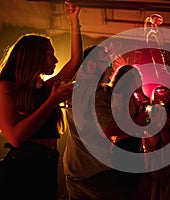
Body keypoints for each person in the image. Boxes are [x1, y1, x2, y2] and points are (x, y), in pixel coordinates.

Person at [0, 2, 82, 199]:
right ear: (33, 55)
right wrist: (52, 101)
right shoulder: (5, 87)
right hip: (22, 166)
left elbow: (75, 62)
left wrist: (74, 22)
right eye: (49, 54)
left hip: (46, 162)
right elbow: (15, 137)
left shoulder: (44, 88)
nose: (55, 60)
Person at [63, 45, 124, 200]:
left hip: (73, 165)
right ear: (90, 65)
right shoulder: (99, 93)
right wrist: (138, 125)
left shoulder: (71, 90)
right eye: (107, 64)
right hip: (95, 169)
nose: (111, 70)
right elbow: (108, 129)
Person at [94, 64, 150, 200]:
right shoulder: (117, 97)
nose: (139, 82)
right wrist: (137, 120)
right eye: (136, 78)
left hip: (133, 145)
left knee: (134, 188)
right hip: (124, 145)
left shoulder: (132, 98)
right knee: (126, 189)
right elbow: (114, 126)